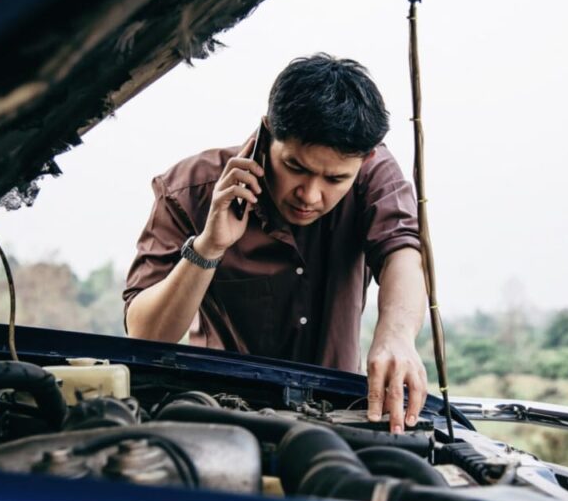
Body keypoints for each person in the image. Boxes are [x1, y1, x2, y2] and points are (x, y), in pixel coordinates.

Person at [123, 53, 427, 433]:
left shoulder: (375, 172)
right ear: (268, 132)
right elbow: (145, 336)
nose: (310, 195)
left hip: (335, 421)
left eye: (334, 179)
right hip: (215, 417)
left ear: (364, 160)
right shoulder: (188, 191)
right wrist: (208, 248)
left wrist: (397, 335)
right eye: (296, 168)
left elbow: (402, 249)